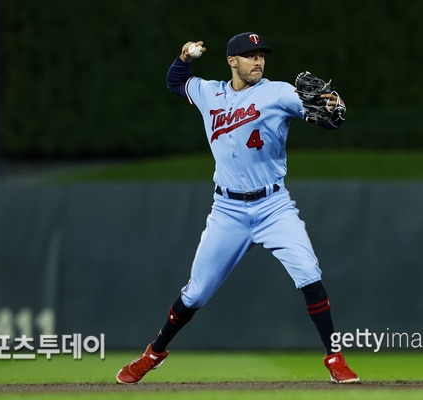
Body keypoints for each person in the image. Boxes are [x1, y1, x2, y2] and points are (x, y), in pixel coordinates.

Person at [116, 32, 359, 385]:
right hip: (227, 210)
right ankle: (153, 354)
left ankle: (334, 358)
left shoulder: (277, 92)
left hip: (273, 205)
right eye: (249, 56)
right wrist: (184, 58)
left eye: (261, 55)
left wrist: (331, 105)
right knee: (195, 293)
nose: (258, 61)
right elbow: (175, 82)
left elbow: (320, 113)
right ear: (233, 62)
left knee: (309, 273)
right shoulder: (209, 92)